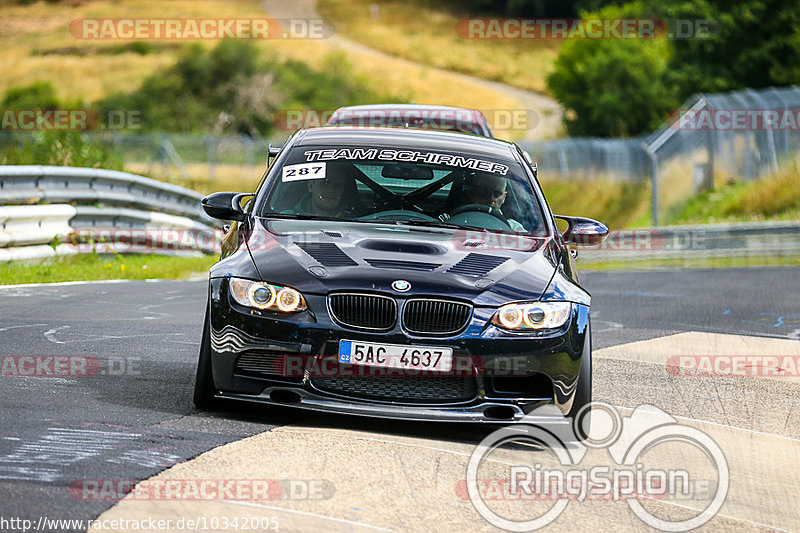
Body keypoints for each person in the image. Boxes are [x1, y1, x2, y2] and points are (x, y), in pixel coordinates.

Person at [294, 165, 362, 217]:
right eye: (325, 183)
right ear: (310, 186)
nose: (331, 190)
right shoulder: (286, 219)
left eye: (338, 185)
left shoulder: (355, 221)